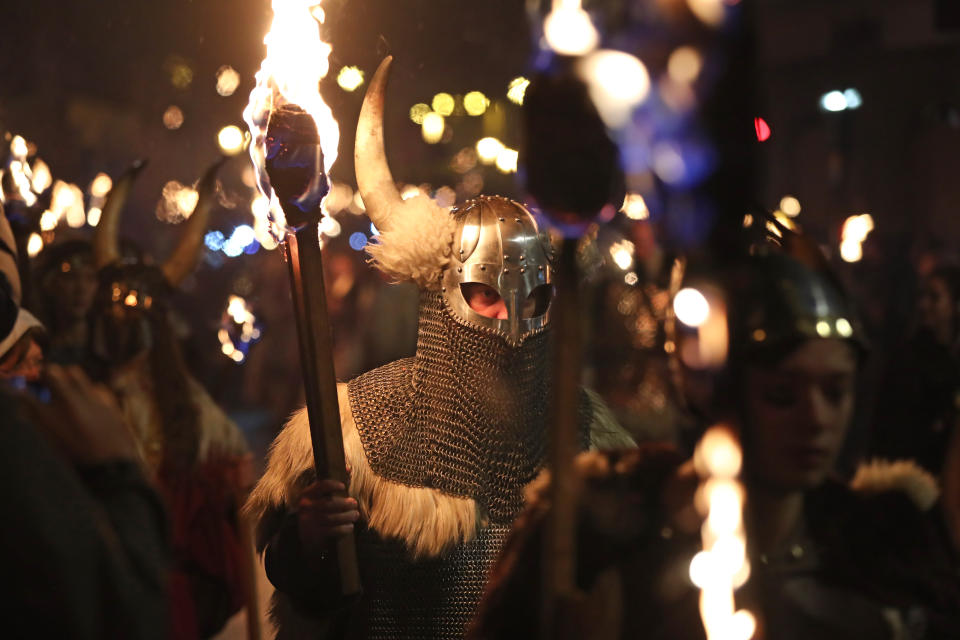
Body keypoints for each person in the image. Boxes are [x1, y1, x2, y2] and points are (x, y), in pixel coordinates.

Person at [244, 56, 634, 639]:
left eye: (533, 298)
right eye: (485, 296)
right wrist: (311, 541)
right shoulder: (360, 432)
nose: (513, 321)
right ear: (440, 291)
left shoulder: (584, 434)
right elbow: (310, 598)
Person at [471, 246, 960, 639]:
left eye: (835, 392)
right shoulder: (593, 536)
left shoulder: (883, 555)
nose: (817, 419)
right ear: (726, 397)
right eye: (782, 395)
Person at [88, 161, 253, 639]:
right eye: (116, 305)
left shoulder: (187, 401)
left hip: (162, 586)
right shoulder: (85, 387)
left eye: (136, 308)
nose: (125, 318)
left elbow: (232, 467)